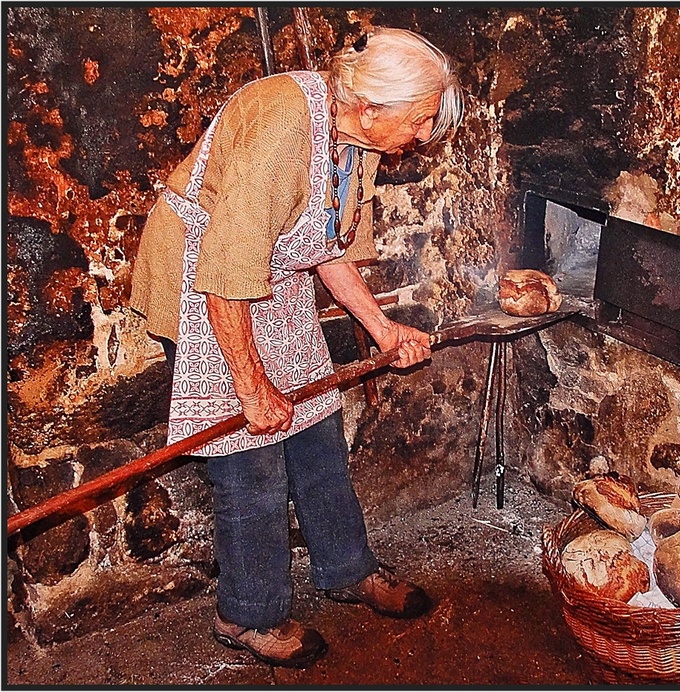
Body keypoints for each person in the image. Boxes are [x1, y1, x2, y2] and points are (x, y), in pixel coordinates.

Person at [129, 27, 465, 668]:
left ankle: (345, 569)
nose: (422, 137)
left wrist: (382, 329)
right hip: (207, 278)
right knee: (248, 454)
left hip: (269, 271)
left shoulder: (354, 139)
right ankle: (247, 615)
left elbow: (325, 247)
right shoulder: (283, 127)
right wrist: (251, 388)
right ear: (374, 107)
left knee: (315, 429)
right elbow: (224, 270)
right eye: (420, 122)